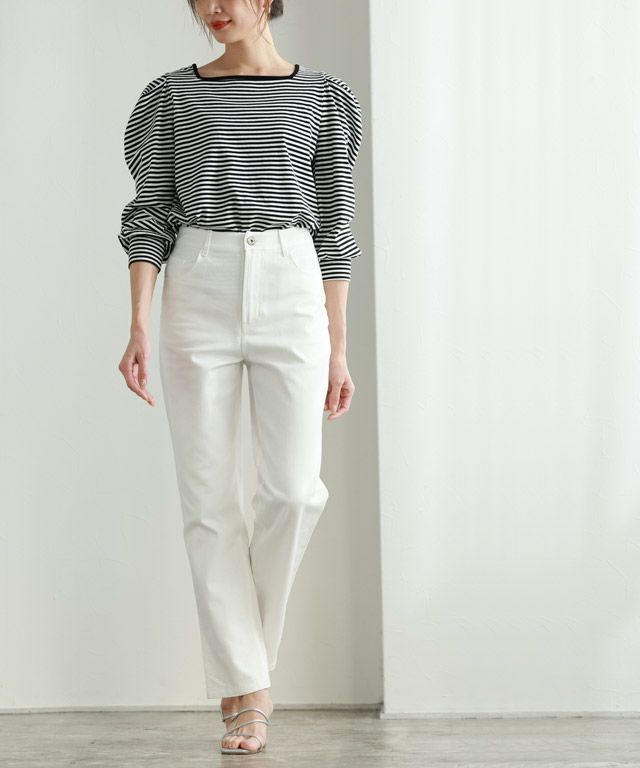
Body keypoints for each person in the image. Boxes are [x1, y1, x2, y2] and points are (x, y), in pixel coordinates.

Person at [117, 0, 363, 755]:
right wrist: (138, 323)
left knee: (293, 491)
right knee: (209, 501)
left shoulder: (324, 96)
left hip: (293, 280)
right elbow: (149, 215)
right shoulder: (170, 95)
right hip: (199, 282)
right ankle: (248, 695)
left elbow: (336, 224)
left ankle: (243, 664)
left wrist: (339, 347)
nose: (214, 8)